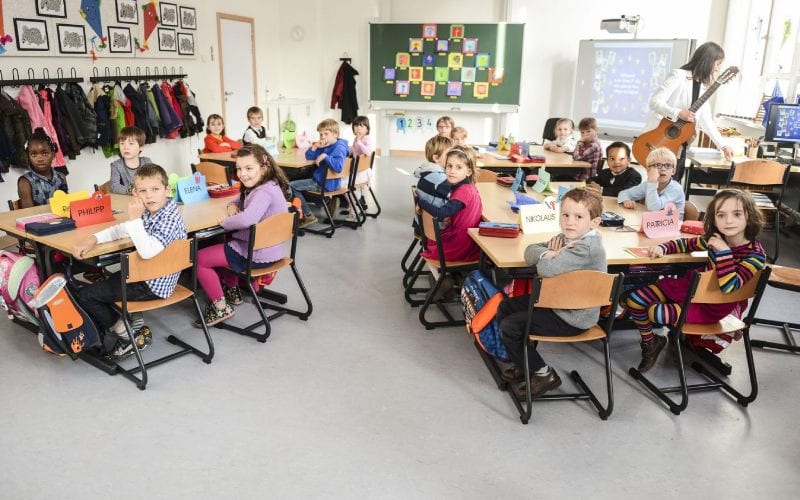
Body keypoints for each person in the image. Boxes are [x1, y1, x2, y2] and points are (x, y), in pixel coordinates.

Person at [623, 189, 766, 372]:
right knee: (634, 300)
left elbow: (730, 287)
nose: (728, 221)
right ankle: (651, 343)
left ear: (750, 216)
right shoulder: (716, 239)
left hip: (711, 307)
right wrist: (662, 247)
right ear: (713, 219)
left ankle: (670, 334)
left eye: (737, 214)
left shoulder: (755, 255)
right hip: (688, 289)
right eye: (721, 215)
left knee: (654, 312)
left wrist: (724, 253)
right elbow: (685, 243)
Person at [497, 188, 606, 399]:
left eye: (578, 217)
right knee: (506, 306)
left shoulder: (587, 247)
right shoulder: (568, 237)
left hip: (573, 316)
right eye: (565, 215)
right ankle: (524, 363)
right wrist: (552, 253)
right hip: (558, 302)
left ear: (595, 222)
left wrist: (551, 258)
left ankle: (544, 374)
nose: (569, 222)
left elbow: (546, 270)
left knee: (510, 326)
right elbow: (530, 251)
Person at [74, 164, 187, 359]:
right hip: (147, 275)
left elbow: (147, 251)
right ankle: (130, 323)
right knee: (102, 284)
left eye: (155, 189)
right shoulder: (154, 212)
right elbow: (121, 229)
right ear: (135, 192)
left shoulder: (168, 218)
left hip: (152, 284)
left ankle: (128, 336)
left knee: (86, 296)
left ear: (167, 190)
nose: (149, 196)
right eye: (143, 191)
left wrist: (135, 220)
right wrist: (92, 239)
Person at [195, 145, 291, 327]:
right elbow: (240, 200)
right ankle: (234, 291)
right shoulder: (268, 185)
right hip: (273, 250)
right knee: (225, 242)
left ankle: (221, 307)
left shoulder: (262, 192)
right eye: (239, 168)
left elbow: (247, 219)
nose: (242, 174)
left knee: (200, 259)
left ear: (264, 167)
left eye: (249, 168)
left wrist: (225, 223)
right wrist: (232, 205)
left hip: (256, 254)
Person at [647, 41, 733, 161]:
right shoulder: (678, 75)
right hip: (659, 140)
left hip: (681, 145)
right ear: (708, 61)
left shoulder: (704, 88)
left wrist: (723, 146)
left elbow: (706, 121)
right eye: (717, 64)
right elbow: (655, 102)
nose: (717, 69)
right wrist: (677, 113)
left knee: (675, 179)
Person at [416, 146, 482, 262]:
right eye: (449, 166)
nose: (452, 171)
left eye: (458, 167)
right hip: (463, 237)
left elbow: (441, 213)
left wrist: (421, 202)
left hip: (461, 243)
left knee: (435, 241)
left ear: (469, 171)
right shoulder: (466, 187)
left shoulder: (464, 191)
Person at [290, 118, 350, 228]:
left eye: (326, 134)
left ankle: (308, 215)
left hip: (324, 183)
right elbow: (309, 157)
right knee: (302, 180)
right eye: (321, 134)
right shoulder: (327, 145)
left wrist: (324, 156)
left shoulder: (339, 147)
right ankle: (326, 202)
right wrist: (315, 147)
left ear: (335, 134)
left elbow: (338, 167)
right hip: (327, 181)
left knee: (291, 186)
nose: (322, 137)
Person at [617, 147, 686, 219]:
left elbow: (654, 207)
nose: (663, 169)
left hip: (673, 228)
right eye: (657, 165)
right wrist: (626, 200)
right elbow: (623, 193)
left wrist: (652, 182)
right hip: (654, 224)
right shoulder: (647, 185)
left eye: (668, 166)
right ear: (648, 170)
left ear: (673, 171)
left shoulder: (675, 189)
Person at [17, 128, 68, 208]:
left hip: (63, 219)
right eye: (34, 154)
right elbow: (28, 214)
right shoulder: (25, 182)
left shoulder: (61, 177)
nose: (40, 159)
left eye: (45, 153)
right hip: (39, 219)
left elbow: (66, 204)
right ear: (28, 156)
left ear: (53, 155)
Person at [414, 135, 454, 211]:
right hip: (438, 221)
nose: (453, 157)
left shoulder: (428, 171)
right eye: (449, 155)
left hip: (426, 220)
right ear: (436, 158)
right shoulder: (439, 178)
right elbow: (459, 197)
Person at [109, 126, 152, 195]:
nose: (126, 147)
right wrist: (131, 190)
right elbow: (114, 186)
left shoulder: (147, 162)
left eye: (131, 143)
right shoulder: (116, 165)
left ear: (141, 147)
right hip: (127, 200)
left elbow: (155, 180)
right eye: (122, 143)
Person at [351, 115, 376, 211]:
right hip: (357, 168)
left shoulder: (367, 139)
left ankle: (355, 205)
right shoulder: (356, 139)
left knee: (345, 180)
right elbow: (355, 152)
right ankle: (360, 200)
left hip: (362, 170)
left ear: (367, 129)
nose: (358, 128)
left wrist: (359, 142)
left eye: (361, 126)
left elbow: (368, 152)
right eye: (356, 126)